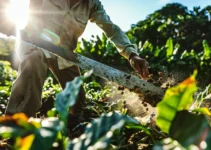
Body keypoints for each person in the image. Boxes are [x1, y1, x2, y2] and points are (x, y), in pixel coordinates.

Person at [0, 0, 149, 117]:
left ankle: (74, 124)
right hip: (33, 42)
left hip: (64, 53)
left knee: (78, 104)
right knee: (33, 63)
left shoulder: (92, 4)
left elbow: (111, 29)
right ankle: (15, 125)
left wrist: (132, 54)